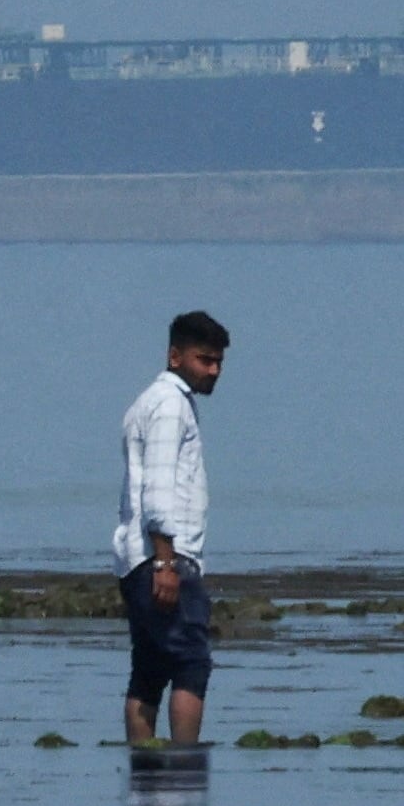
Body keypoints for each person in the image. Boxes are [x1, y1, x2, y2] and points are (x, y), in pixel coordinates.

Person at [115, 311, 228, 746]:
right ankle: (183, 768)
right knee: (190, 663)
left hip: (137, 556)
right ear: (175, 356)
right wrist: (165, 560)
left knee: (148, 667)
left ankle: (143, 772)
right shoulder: (169, 405)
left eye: (218, 361)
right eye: (205, 360)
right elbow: (158, 486)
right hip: (161, 556)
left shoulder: (150, 401)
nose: (214, 370)